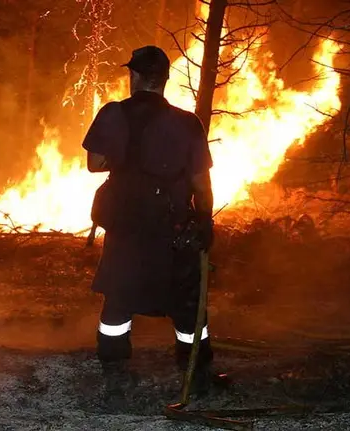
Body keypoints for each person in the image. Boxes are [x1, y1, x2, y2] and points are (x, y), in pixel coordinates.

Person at [82, 45, 222, 403]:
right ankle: (196, 374)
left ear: (134, 77)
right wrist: (205, 222)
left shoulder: (114, 114)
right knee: (188, 305)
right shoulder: (187, 122)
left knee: (117, 305)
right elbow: (200, 182)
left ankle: (115, 378)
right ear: (164, 80)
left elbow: (95, 163)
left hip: (126, 228)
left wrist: (124, 158)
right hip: (172, 230)